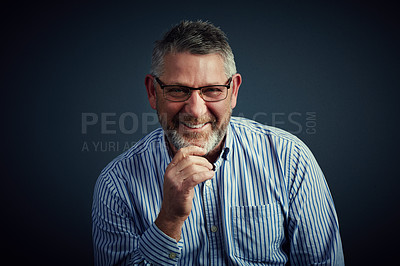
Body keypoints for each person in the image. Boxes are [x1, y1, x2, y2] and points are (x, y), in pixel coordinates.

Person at [92, 20, 345, 265]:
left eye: (212, 90)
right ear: (152, 92)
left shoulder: (290, 159)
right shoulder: (117, 184)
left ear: (233, 91)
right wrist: (169, 220)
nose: (195, 110)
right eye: (178, 90)